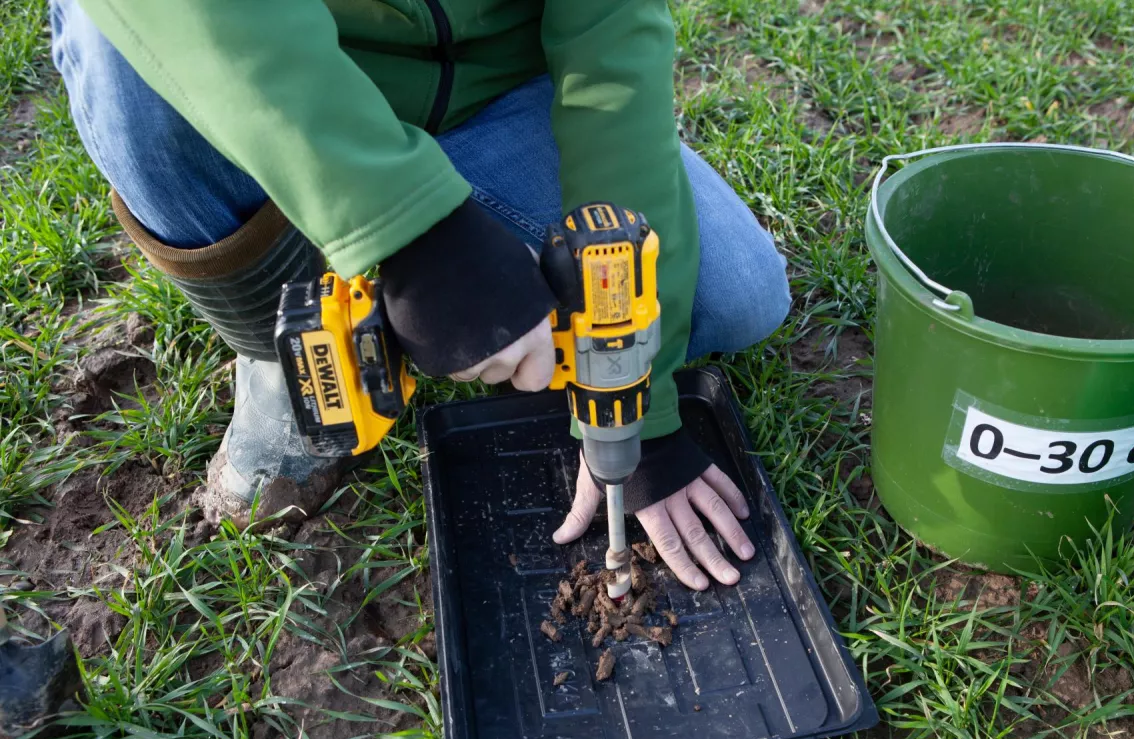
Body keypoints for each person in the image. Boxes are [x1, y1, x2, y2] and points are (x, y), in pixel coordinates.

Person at [50, 0, 792, 593]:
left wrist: (639, 409)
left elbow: (613, 44)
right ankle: (278, 341)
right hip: (281, 80)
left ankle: (418, 248)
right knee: (120, 46)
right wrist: (408, 230)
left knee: (738, 294)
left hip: (493, 89)